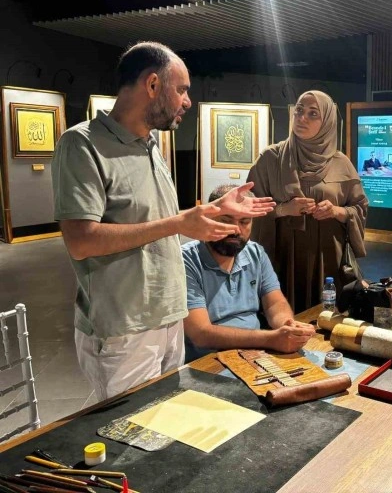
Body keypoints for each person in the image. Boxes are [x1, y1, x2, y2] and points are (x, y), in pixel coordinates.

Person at [51, 41, 274, 401]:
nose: (187, 101)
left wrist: (214, 211)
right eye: (182, 90)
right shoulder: (81, 144)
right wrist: (179, 224)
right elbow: (81, 241)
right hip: (126, 328)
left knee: (165, 422)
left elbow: (156, 222)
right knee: (132, 428)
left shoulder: (151, 146)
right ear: (153, 85)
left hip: (169, 318)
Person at [247, 90, 368, 311]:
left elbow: (359, 208)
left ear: (327, 121)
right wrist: (284, 209)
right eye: (299, 110)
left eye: (313, 114)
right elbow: (249, 206)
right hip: (281, 257)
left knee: (326, 317)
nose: (302, 118)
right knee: (281, 315)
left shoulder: (341, 164)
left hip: (328, 260)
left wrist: (336, 211)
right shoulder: (270, 159)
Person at [182, 185, 316, 362]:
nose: (236, 229)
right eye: (226, 220)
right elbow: (201, 334)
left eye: (244, 222)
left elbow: (274, 303)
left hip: (255, 354)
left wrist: (287, 326)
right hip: (206, 362)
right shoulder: (187, 260)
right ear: (209, 217)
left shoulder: (255, 253)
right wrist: (271, 339)